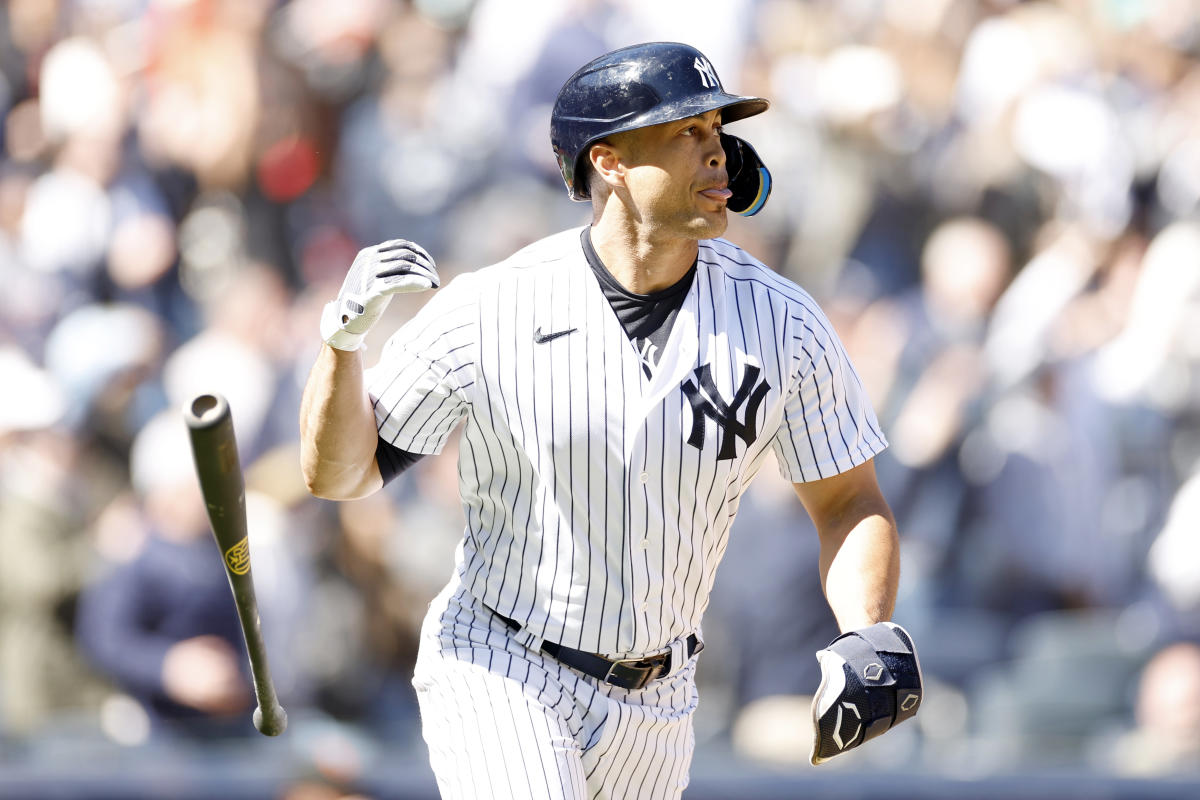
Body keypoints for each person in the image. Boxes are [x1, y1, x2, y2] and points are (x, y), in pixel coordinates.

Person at [300, 42, 919, 799]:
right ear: (610, 161)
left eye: (717, 131)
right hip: (504, 663)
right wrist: (342, 344)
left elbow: (848, 500)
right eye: (686, 134)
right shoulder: (494, 305)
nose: (718, 153)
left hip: (659, 699)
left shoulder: (784, 321)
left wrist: (867, 627)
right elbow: (339, 473)